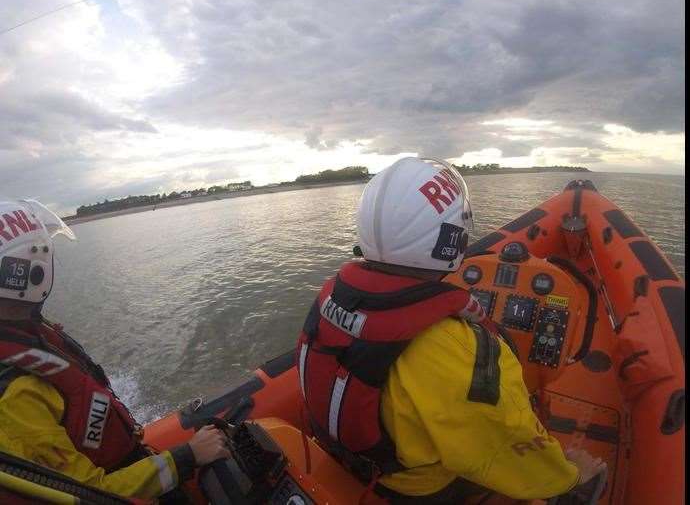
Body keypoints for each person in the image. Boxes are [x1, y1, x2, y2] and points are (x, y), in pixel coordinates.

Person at [295, 157, 605, 503]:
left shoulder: (331, 297)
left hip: (354, 461)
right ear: (451, 236)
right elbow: (505, 438)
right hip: (415, 488)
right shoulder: (456, 349)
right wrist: (571, 473)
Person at [0, 199, 230, 502]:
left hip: (122, 459)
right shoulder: (17, 393)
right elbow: (90, 494)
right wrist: (186, 456)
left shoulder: (26, 331)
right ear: (33, 274)